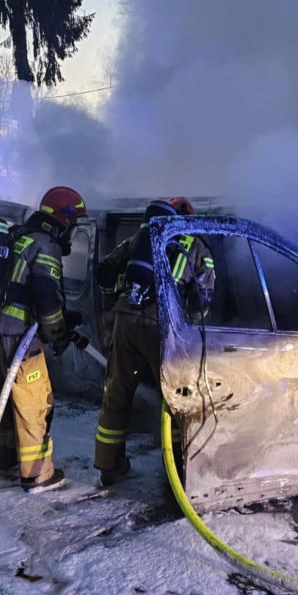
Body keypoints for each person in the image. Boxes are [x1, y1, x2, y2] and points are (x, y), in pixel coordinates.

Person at [94, 198, 215, 487]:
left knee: (117, 394)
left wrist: (117, 296)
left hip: (124, 319)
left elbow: (104, 273)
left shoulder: (139, 238)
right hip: (163, 324)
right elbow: (204, 297)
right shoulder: (196, 246)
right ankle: (178, 471)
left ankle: (109, 467)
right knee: (175, 399)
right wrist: (194, 327)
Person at [0, 186, 86, 494]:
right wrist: (58, 333)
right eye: (74, 221)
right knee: (33, 402)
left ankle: (6, 458)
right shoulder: (46, 245)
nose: (73, 229)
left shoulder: (20, 236)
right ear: (63, 219)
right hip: (20, 336)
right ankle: (37, 475)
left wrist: (62, 323)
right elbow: (46, 296)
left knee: (7, 396)